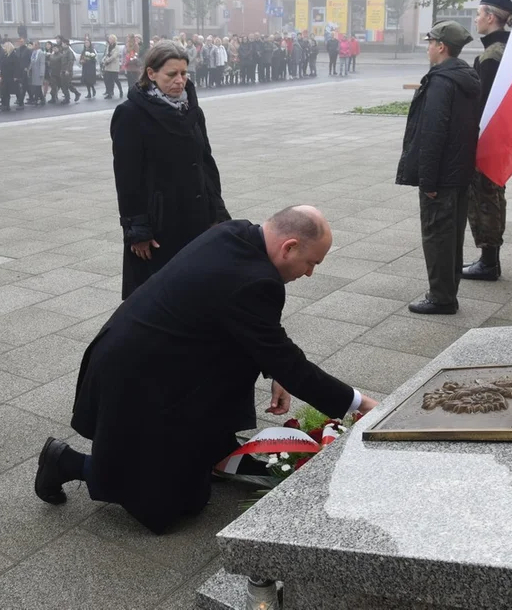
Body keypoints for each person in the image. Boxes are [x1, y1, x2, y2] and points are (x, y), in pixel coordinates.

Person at [34, 206, 379, 535]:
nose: (309, 273)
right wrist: (358, 404)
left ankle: (204, 451)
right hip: (137, 379)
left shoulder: (238, 233)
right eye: (310, 263)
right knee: (177, 504)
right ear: (289, 247)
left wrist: (275, 370)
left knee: (202, 465)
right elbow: (285, 357)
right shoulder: (255, 281)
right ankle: (65, 462)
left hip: (157, 357)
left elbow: (250, 329)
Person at [110, 41, 230, 299]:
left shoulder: (192, 111)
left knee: (195, 293)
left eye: (184, 74)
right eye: (172, 74)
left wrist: (216, 212)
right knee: (156, 297)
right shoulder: (130, 114)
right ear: (151, 74)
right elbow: (127, 179)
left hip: (196, 216)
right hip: (160, 224)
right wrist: (137, 230)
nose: (180, 81)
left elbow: (206, 164)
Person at [396, 21, 480, 315]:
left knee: (437, 235)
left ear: (441, 46)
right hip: (459, 172)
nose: (428, 47)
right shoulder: (465, 77)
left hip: (441, 175)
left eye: (430, 42)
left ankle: (442, 297)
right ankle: (447, 288)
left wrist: (427, 180)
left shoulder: (441, 82)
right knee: (452, 234)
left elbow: (433, 134)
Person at [464, 0, 512, 282]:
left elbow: (482, 103)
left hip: (489, 137)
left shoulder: (492, 56)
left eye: (479, 14)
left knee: (485, 197)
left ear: (491, 17)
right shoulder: (504, 49)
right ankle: (489, 259)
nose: (476, 19)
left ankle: (489, 262)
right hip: (500, 136)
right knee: (494, 194)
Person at [0, 41, 18, 112]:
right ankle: (4, 104)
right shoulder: (5, 55)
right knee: (4, 91)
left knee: (7, 91)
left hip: (10, 75)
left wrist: (15, 76)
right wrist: (0, 75)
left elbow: (16, 66)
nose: (3, 48)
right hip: (5, 75)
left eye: (5, 47)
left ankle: (6, 105)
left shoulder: (13, 55)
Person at [102, 35, 123, 99]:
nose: (109, 40)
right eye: (109, 39)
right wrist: (104, 60)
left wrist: (107, 61)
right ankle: (109, 93)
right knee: (108, 80)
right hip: (108, 66)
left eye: (111, 39)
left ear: (114, 40)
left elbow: (114, 56)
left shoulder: (117, 47)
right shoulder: (108, 46)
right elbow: (106, 54)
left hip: (114, 66)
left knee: (116, 79)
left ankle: (120, 91)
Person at [27, 40, 46, 107]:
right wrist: (29, 69)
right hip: (34, 72)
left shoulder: (41, 53)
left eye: (34, 45)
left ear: (38, 45)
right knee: (36, 86)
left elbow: (42, 64)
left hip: (38, 72)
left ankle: (36, 100)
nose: (33, 46)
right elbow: (31, 62)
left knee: (37, 86)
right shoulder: (33, 52)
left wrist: (41, 73)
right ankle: (42, 99)